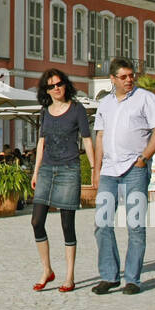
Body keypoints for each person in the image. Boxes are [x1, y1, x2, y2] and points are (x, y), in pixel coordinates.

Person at [92, 58, 155, 296]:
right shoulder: (104, 103)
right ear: (112, 79)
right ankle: (109, 276)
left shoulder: (146, 98)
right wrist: (96, 169)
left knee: (135, 225)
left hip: (135, 168)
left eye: (131, 76)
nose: (129, 80)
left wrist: (144, 157)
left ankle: (133, 279)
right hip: (109, 171)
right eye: (123, 77)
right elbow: (100, 136)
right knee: (102, 224)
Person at [30, 69, 94, 293]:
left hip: (69, 168)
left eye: (59, 84)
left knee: (67, 224)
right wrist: (36, 172)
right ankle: (47, 269)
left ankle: (69, 276)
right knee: (36, 221)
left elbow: (86, 140)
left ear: (65, 84)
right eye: (51, 86)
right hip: (47, 169)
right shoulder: (45, 111)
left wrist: (94, 168)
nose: (56, 88)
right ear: (46, 91)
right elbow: (41, 143)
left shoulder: (77, 110)